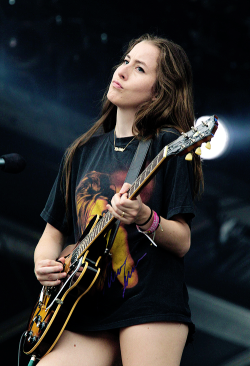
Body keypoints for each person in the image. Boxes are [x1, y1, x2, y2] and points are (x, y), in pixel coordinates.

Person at [34, 33, 203, 366]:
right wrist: (44, 265)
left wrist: (144, 217)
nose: (122, 71)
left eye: (139, 68)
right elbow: (52, 234)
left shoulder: (168, 146)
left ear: (160, 92)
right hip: (83, 304)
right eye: (126, 60)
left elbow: (182, 241)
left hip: (148, 303)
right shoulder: (80, 153)